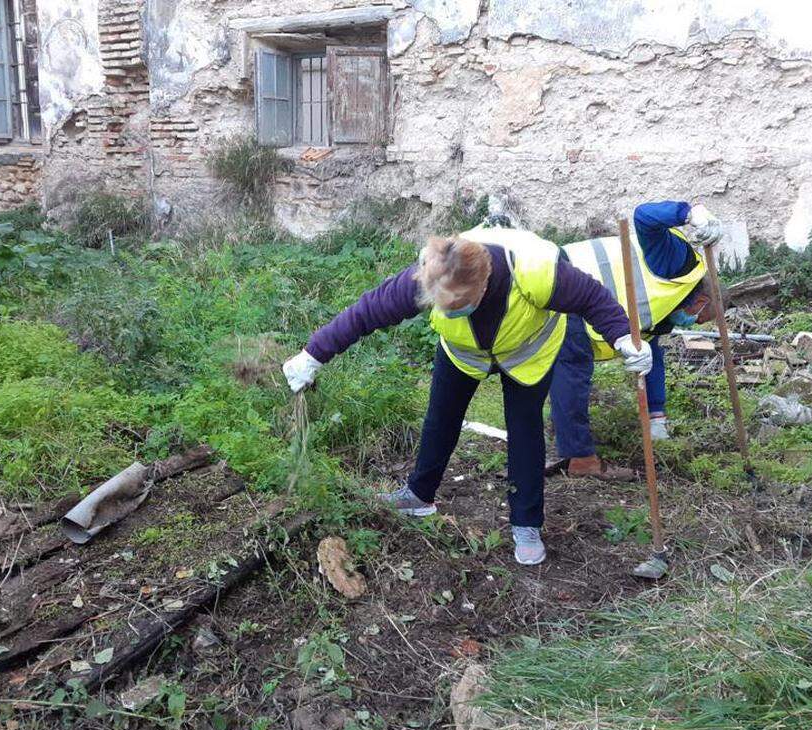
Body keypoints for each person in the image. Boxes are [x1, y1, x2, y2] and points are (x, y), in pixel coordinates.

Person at [282, 226, 651, 566]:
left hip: (528, 354)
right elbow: (366, 312)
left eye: (456, 307)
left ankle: (526, 524)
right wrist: (312, 355)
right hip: (464, 355)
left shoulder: (534, 272)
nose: (447, 310)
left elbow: (593, 299)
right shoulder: (434, 272)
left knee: (524, 432)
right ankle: (419, 495)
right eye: (442, 306)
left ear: (484, 283)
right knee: (441, 417)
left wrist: (623, 338)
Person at [548, 201, 721, 478]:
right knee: (572, 368)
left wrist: (657, 415)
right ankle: (580, 459)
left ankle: (557, 441)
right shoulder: (678, 264)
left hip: (575, 292)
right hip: (568, 279)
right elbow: (644, 216)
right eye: (701, 318)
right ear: (700, 301)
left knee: (556, 370)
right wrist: (690, 213)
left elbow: (651, 352)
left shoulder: (667, 308)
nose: (695, 323)